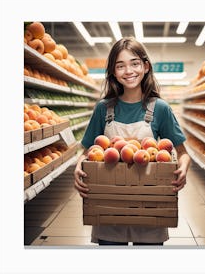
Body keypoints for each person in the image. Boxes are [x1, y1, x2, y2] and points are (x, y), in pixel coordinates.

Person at [74, 36, 191, 246]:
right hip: (110, 207)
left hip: (149, 206)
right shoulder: (104, 108)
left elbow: (183, 153)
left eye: (135, 63)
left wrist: (182, 169)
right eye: (120, 66)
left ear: (146, 66)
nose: (128, 71)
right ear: (113, 72)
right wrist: (78, 167)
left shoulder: (160, 108)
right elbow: (87, 151)